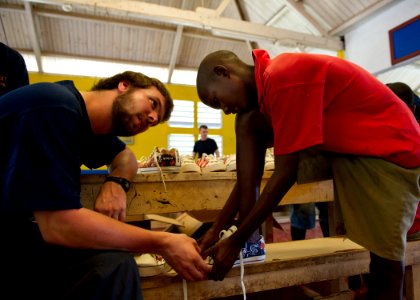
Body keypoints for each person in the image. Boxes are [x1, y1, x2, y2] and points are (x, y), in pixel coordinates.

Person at [196, 49, 420, 300]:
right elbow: (249, 176)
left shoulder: (281, 77)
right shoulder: (263, 97)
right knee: (246, 121)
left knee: (385, 263)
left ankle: (245, 242)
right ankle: (250, 247)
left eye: (217, 100)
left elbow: (285, 174)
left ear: (223, 72)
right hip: (348, 147)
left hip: (389, 147)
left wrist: (236, 240)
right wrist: (217, 229)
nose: (224, 109)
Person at [0, 71, 210, 299]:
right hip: (12, 236)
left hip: (17, 231)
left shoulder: (84, 122)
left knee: (115, 265)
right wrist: (163, 242)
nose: (151, 119)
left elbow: (126, 157)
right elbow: (58, 225)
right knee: (112, 267)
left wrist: (117, 182)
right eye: (152, 103)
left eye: (155, 121)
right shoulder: (55, 106)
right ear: (124, 85)